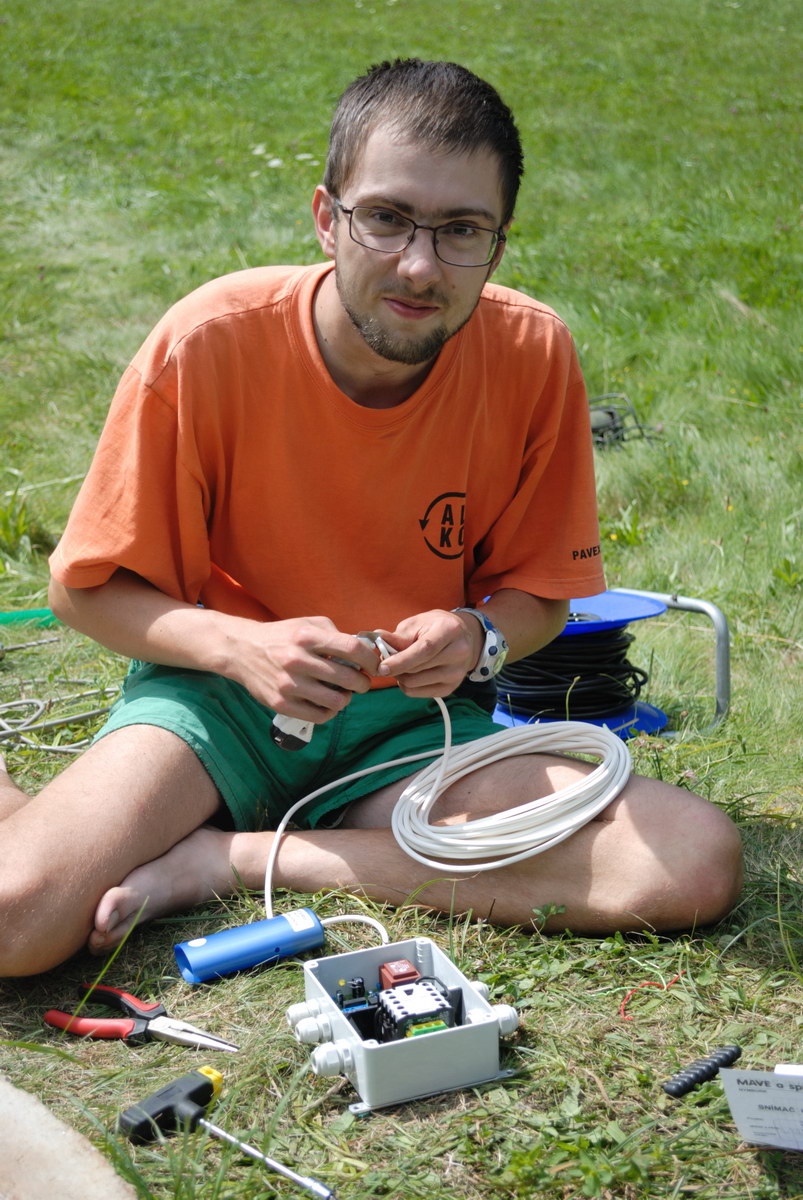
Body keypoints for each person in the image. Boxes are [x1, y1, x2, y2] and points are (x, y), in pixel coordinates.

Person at [0, 59, 742, 978]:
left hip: (412, 731)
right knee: (15, 923)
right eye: (386, 218)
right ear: (327, 217)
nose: (419, 266)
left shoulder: (531, 351)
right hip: (218, 708)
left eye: (460, 230)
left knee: (688, 861)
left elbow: (542, 596)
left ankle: (229, 856)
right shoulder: (209, 340)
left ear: (497, 246)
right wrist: (242, 648)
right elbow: (82, 592)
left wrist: (476, 636)